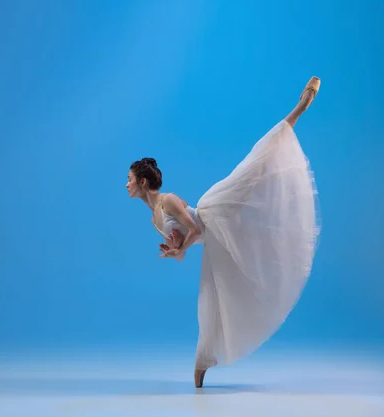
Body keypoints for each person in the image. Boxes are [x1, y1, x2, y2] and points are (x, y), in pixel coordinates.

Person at [127, 77, 321, 387]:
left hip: (213, 212)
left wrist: (182, 247)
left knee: (255, 169)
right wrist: (175, 251)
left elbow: (192, 228)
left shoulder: (167, 201)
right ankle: (203, 362)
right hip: (213, 238)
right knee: (213, 300)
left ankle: (299, 108)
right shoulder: (154, 219)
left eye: (130, 179)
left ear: (144, 183)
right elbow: (184, 247)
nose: (127, 184)